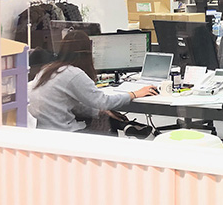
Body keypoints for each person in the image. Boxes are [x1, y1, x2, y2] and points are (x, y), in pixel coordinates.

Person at [29, 30, 158, 132]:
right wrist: (134, 94)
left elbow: (74, 105)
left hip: (42, 130)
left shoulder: (49, 69)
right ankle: (128, 129)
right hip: (63, 132)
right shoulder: (73, 74)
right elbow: (104, 102)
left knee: (104, 115)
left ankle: (128, 127)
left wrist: (99, 112)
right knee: (106, 123)